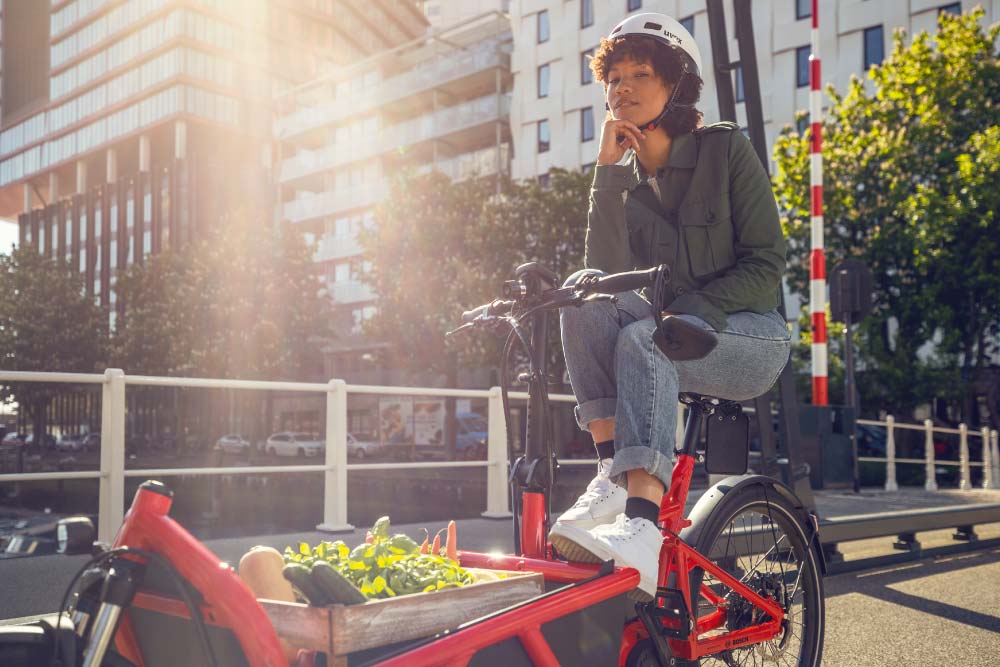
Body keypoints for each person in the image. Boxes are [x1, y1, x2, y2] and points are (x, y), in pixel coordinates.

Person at [549, 13, 791, 599]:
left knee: (645, 337)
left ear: (677, 86)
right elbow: (604, 282)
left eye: (640, 74)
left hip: (750, 339)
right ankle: (612, 473)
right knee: (581, 304)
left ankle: (641, 525)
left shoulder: (725, 149)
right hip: (667, 338)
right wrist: (605, 174)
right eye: (614, 78)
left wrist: (693, 312)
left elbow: (766, 265)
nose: (622, 88)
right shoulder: (624, 183)